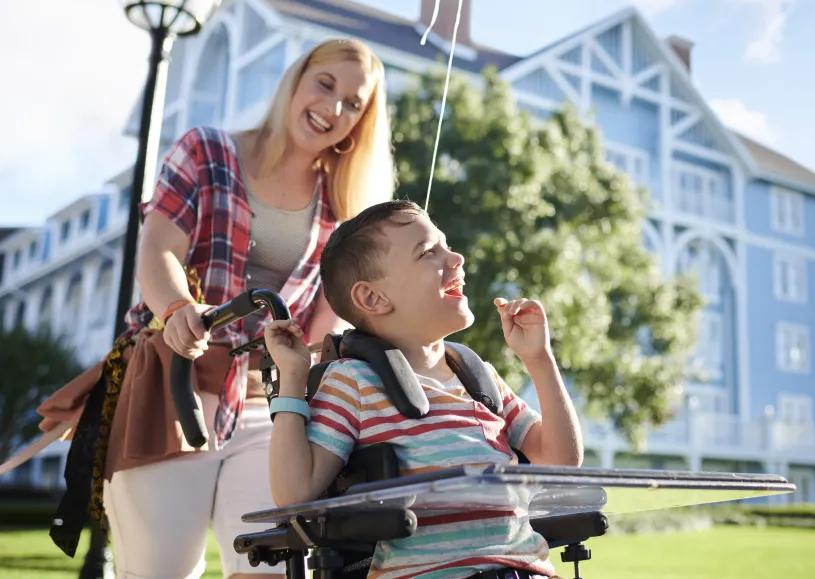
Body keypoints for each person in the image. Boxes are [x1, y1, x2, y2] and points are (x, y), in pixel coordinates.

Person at [43, 39, 394, 579]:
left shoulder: (343, 207)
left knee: (271, 568)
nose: (334, 108)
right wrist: (179, 309)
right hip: (173, 388)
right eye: (326, 85)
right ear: (297, 80)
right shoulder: (207, 150)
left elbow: (328, 322)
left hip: (268, 406)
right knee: (161, 570)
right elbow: (158, 247)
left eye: (354, 103)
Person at [264, 200, 584, 579]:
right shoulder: (354, 382)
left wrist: (539, 359)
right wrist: (292, 376)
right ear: (372, 298)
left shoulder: (477, 378)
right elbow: (294, 493)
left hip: (525, 570)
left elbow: (561, 461)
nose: (456, 258)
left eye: (446, 246)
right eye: (429, 252)